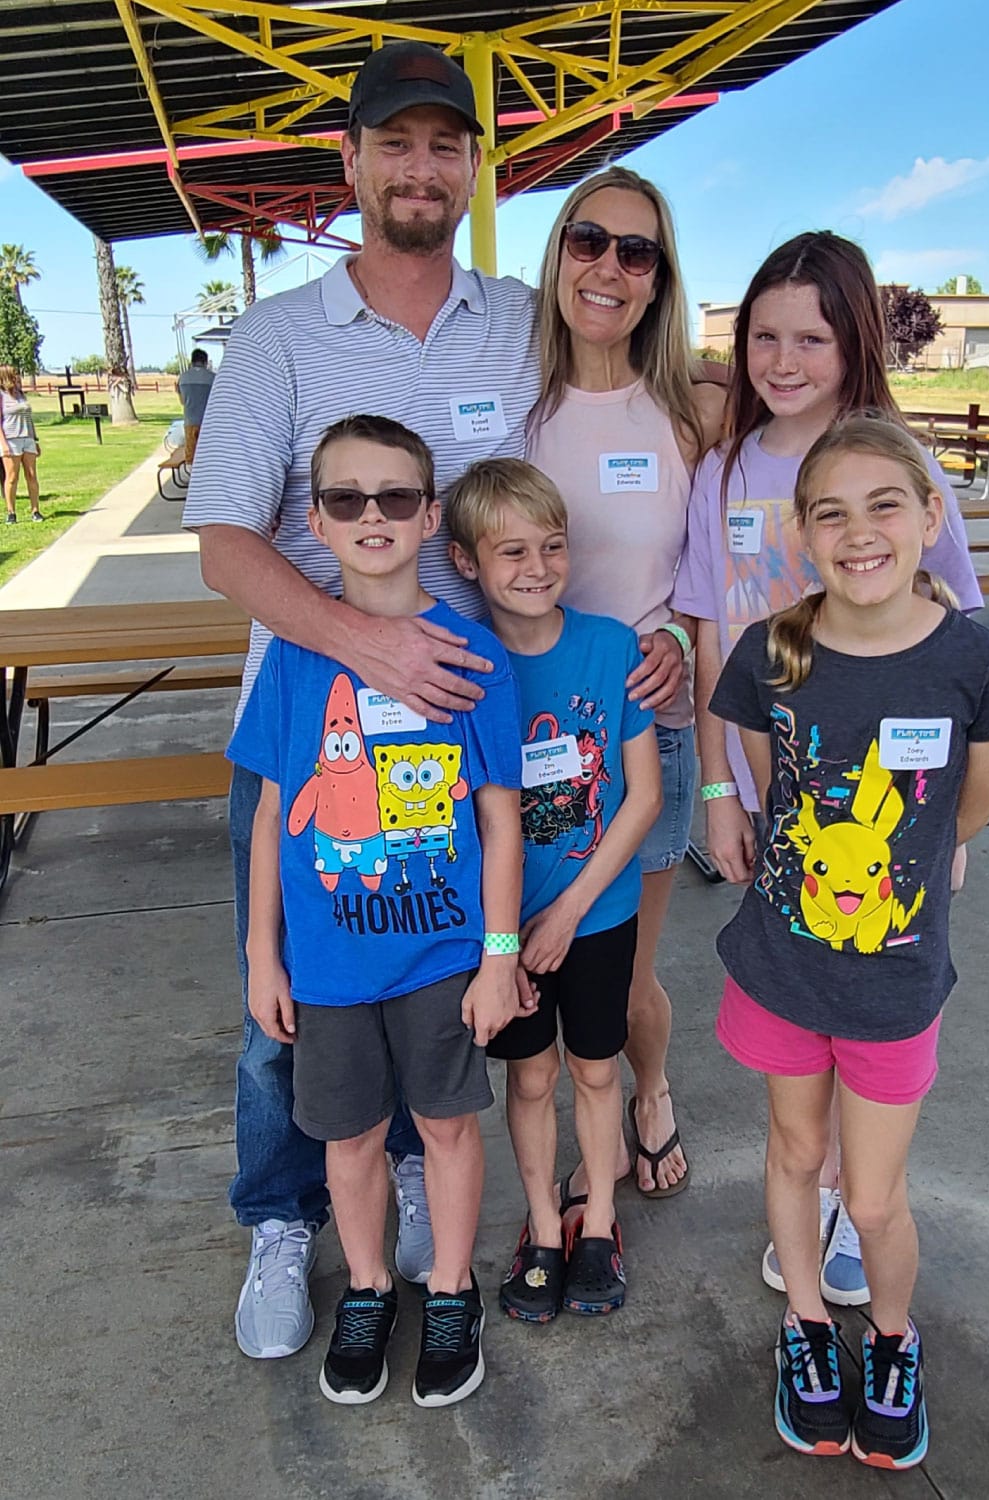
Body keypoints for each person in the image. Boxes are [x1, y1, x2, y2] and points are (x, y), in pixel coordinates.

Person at [182, 40, 540, 1361]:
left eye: (447, 144)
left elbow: (557, 496)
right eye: (397, 142)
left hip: (462, 726)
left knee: (435, 978)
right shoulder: (281, 335)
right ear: (352, 162)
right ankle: (280, 1219)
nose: (423, 165)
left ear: (470, 168)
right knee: (285, 1009)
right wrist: (363, 645)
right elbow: (226, 540)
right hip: (313, 723)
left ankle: (394, 1192)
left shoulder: (512, 323)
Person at [709, 413, 989, 1469]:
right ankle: (806, 1325)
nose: (860, 532)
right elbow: (765, 776)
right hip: (782, 968)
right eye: (832, 512)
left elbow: (968, 813)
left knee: (877, 1191)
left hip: (895, 984)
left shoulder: (973, 662)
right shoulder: (770, 652)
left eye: (885, 504)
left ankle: (893, 1341)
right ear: (802, 534)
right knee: (796, 1154)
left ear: (931, 518)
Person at [672, 231, 983, 1303]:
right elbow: (713, 635)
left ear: (854, 342)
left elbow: (959, 641)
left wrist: (952, 834)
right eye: (764, 335)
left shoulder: (899, 461)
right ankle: (804, 1193)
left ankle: (863, 1201)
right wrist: (720, 790)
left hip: (896, 810)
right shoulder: (725, 470)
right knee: (797, 1005)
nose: (785, 356)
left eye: (811, 334)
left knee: (878, 1006)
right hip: (774, 797)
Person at [229, 414, 524, 1407]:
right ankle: (366, 1289)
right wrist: (264, 960)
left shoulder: (471, 655)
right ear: (315, 518)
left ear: (430, 515)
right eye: (347, 498)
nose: (373, 516)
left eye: (396, 496)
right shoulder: (296, 659)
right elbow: (274, 816)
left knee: (445, 1126)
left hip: (442, 957)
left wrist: (497, 954)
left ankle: (447, 1289)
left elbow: (499, 819)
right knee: (348, 1140)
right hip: (330, 965)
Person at [527, 165, 724, 1203]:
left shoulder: (692, 412)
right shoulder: (513, 400)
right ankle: (581, 1130)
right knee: (542, 955)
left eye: (635, 251)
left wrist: (687, 654)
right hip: (527, 730)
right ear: (558, 253)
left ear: (659, 279)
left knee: (623, 966)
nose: (608, 266)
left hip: (644, 727)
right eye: (588, 240)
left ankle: (648, 1096)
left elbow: (717, 578)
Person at [445, 458, 662, 1321]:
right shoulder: (463, 665)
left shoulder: (608, 647)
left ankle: (599, 1223)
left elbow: (642, 795)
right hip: (505, 928)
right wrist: (508, 936)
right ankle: (541, 1227)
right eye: (511, 553)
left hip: (598, 913)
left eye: (553, 546)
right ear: (468, 562)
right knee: (529, 1081)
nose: (536, 567)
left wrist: (569, 911)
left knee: (597, 1072)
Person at [1, 364, 43, 524]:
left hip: (27, 438)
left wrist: (35, 439)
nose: (17, 376)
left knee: (31, 476)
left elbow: (28, 418)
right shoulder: (1, 396)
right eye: (14, 373)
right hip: (11, 440)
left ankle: (35, 510)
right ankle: (11, 512)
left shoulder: (20, 394)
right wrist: (3, 444)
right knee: (12, 477)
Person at [175, 349, 216, 462]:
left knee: (192, 458)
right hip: (208, 423)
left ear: (192, 361)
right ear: (205, 362)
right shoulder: (213, 378)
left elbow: (182, 401)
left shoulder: (182, 378)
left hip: (190, 422)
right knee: (209, 456)